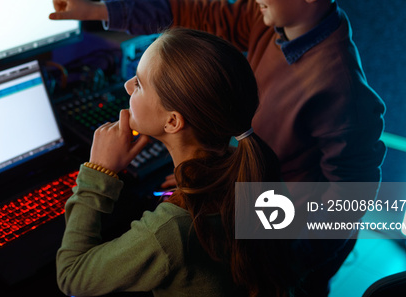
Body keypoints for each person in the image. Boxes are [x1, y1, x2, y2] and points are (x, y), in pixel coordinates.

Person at [41, 0, 386, 295]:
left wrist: (273, 263)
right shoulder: (268, 18)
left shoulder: (343, 92)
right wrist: (98, 9)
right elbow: (191, 14)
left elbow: (346, 209)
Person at [57, 28, 297, 297]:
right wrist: (192, 181)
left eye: (139, 84)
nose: (127, 86)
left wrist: (97, 171)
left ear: (172, 121)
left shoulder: (170, 230)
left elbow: (72, 276)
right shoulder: (251, 168)